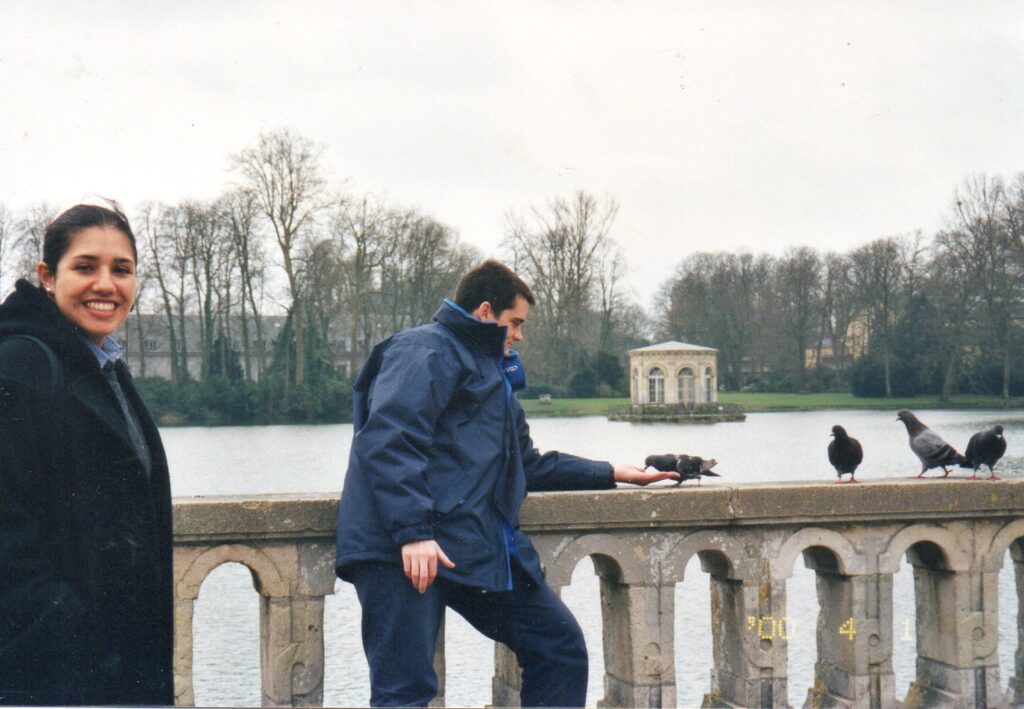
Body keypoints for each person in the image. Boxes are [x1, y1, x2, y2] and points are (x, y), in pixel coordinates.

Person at [335, 259, 677, 707]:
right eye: (515, 323)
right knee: (404, 693)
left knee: (559, 649)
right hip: (398, 552)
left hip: (464, 547)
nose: (519, 335)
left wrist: (611, 472)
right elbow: (389, 442)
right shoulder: (423, 350)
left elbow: (526, 465)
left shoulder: (493, 376)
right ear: (485, 312)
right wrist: (413, 533)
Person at [0, 204, 174, 705]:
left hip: (112, 666)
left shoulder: (102, 364)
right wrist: (81, 642)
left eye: (121, 269)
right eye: (85, 267)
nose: (106, 284)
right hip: (55, 677)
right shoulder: (21, 364)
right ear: (47, 276)